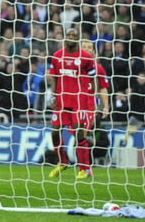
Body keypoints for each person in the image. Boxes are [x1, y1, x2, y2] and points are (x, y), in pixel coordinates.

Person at [46, 28, 96, 180]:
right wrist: (53, 96)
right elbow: (53, 77)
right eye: (69, 35)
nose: (71, 37)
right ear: (65, 37)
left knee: (79, 133)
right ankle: (62, 162)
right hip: (61, 101)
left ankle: (84, 168)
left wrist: (91, 99)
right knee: (55, 132)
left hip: (78, 102)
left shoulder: (86, 58)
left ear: (78, 38)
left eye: (74, 35)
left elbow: (92, 80)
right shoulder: (57, 56)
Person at [80, 40, 110, 169]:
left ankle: (84, 166)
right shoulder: (72, 65)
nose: (87, 49)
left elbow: (103, 88)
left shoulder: (98, 68)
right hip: (72, 104)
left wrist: (105, 106)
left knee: (82, 134)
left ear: (94, 52)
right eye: (84, 47)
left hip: (89, 106)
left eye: (89, 47)